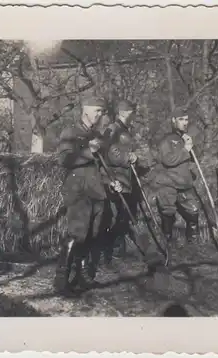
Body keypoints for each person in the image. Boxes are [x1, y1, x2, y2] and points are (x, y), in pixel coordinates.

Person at [54, 96, 122, 295]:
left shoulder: (97, 135)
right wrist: (88, 150)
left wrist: (111, 182)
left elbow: (100, 167)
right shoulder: (71, 132)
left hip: (96, 191)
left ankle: (82, 275)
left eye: (101, 112)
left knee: (92, 234)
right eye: (95, 111)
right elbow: (64, 159)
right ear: (84, 110)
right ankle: (61, 280)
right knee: (77, 234)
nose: (99, 115)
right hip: (78, 191)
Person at [99, 99, 143, 267]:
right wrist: (128, 158)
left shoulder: (125, 130)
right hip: (115, 177)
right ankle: (106, 253)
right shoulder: (113, 130)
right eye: (131, 112)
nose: (133, 116)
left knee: (122, 216)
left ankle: (117, 251)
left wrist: (135, 157)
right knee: (113, 216)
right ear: (124, 113)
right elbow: (110, 152)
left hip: (125, 178)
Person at [154, 107, 200, 252]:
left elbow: (194, 157)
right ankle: (167, 247)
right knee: (168, 214)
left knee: (193, 212)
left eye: (186, 119)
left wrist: (191, 146)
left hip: (184, 184)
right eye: (181, 119)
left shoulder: (185, 138)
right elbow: (168, 160)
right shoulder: (166, 140)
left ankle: (193, 247)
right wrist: (185, 149)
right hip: (168, 183)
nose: (185, 123)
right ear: (173, 121)